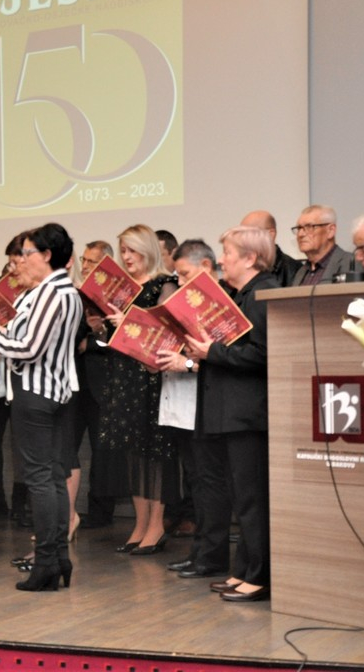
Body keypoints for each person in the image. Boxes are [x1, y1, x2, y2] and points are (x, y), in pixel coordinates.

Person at [0, 223, 83, 591]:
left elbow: (30, 348)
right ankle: (58, 559)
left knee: (41, 480)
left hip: (37, 393)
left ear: (46, 255)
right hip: (50, 392)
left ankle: (47, 562)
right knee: (52, 478)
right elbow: (23, 342)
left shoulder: (53, 293)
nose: (21, 261)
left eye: (27, 253)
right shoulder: (62, 291)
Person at [180, 225, 278, 602]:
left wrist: (213, 352)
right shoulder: (240, 295)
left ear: (251, 258)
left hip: (249, 413)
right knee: (241, 498)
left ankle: (260, 576)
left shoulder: (263, 294)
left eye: (228, 254)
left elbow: (263, 354)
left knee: (253, 499)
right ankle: (243, 570)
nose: (221, 261)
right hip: (232, 411)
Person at [96, 225, 178, 555]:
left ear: (147, 250)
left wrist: (127, 324)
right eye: (123, 250)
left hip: (151, 377)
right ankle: (140, 524)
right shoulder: (124, 288)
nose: (127, 257)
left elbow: (167, 335)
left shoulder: (164, 284)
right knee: (132, 453)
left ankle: (156, 526)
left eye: (132, 250)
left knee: (154, 452)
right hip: (123, 375)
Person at [154, 240, 216, 570]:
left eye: (184, 274)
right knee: (194, 478)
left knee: (207, 483)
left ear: (206, 267)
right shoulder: (181, 303)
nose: (178, 282)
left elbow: (219, 358)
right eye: (176, 276)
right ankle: (199, 552)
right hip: (178, 401)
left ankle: (209, 554)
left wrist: (187, 363)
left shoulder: (218, 305)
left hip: (205, 405)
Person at [75, 241, 123, 531]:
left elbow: (119, 340)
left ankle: (101, 512)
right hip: (74, 382)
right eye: (84, 260)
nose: (85, 266)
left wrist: (90, 342)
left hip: (102, 382)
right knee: (68, 448)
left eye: (92, 262)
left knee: (103, 452)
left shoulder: (116, 296)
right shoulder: (74, 294)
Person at [291, 204, 354, 285]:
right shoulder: (301, 272)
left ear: (331, 230)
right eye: (299, 228)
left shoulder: (350, 264)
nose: (300, 234)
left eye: (309, 227)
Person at [240, 210, 302, 286]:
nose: (242, 240)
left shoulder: (294, 271)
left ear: (270, 235)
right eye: (241, 235)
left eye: (248, 233)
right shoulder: (241, 267)